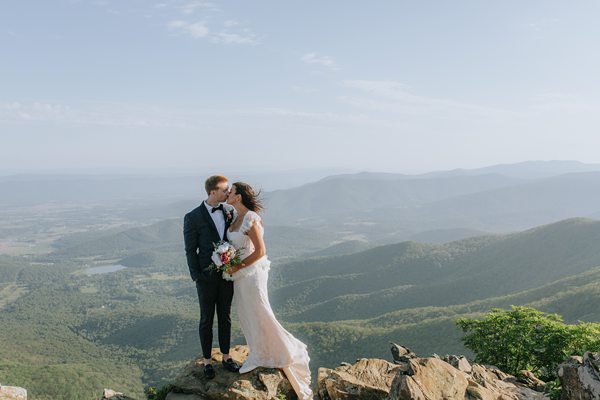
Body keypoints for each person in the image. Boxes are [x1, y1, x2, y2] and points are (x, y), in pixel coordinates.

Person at [225, 182, 313, 400]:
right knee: (246, 313)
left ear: (238, 197)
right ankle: (257, 350)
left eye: (231, 191)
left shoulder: (250, 218)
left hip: (252, 274)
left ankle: (280, 351)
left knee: (260, 310)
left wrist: (237, 265)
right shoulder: (233, 217)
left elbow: (261, 251)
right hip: (239, 275)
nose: (228, 194)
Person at [183, 175, 241, 379]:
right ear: (212, 192)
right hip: (205, 277)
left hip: (226, 275)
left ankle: (226, 357)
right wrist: (196, 276)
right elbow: (190, 250)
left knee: (225, 317)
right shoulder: (192, 217)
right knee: (206, 319)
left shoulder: (228, 212)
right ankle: (207, 362)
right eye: (225, 190)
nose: (228, 193)